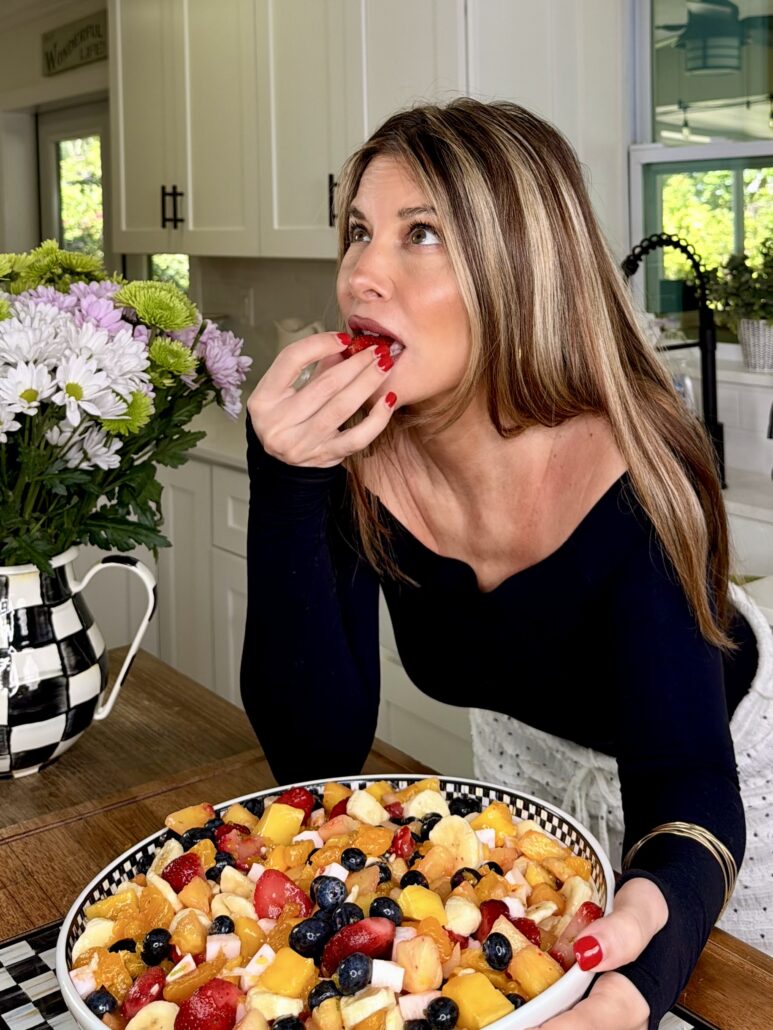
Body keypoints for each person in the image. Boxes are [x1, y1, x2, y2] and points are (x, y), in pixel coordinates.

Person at [241, 98, 769, 1030]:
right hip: (533, 769)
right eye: (360, 232)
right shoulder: (355, 458)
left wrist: (629, 998)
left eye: (422, 235)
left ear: (518, 269)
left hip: (723, 779)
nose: (362, 272)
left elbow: (686, 776)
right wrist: (286, 478)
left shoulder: (636, 472)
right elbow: (312, 754)